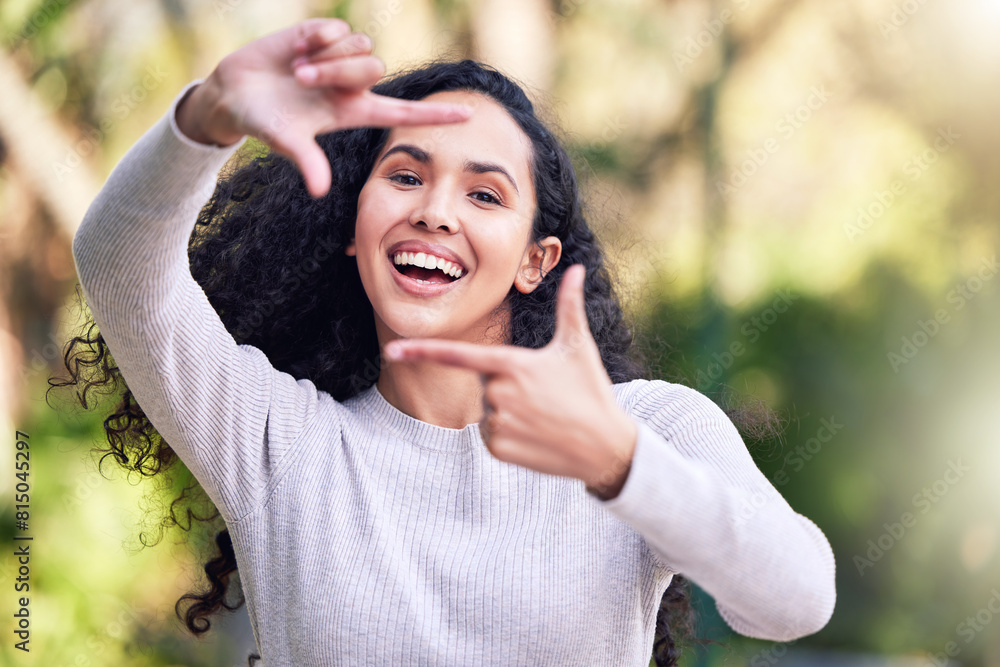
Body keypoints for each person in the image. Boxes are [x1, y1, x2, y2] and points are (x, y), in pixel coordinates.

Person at [59, 17, 836, 667]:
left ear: (537, 261)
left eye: (486, 193)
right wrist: (205, 120)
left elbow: (795, 599)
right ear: (351, 234)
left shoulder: (648, 427)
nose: (435, 210)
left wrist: (617, 462)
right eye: (405, 175)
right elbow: (119, 267)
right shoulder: (280, 441)